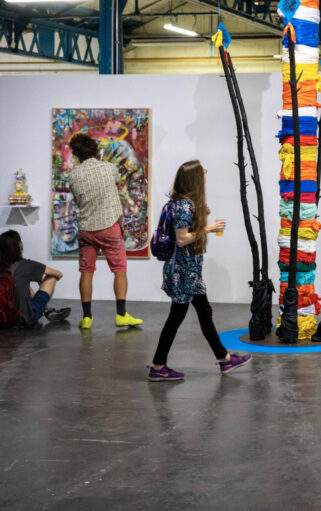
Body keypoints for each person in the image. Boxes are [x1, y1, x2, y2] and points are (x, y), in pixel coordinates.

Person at [148, 160, 251, 381]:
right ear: (194, 179)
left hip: (189, 271)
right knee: (178, 317)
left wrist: (199, 215)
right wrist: (208, 227)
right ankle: (158, 367)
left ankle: (224, 359)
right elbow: (182, 238)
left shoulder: (183, 202)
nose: (205, 174)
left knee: (204, 314)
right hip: (184, 271)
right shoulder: (184, 205)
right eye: (202, 172)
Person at [67, 133, 143, 329]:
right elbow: (117, 183)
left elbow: (77, 199)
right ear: (94, 150)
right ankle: (121, 314)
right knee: (119, 269)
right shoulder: (109, 168)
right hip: (109, 226)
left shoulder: (73, 175)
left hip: (86, 229)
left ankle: (86, 318)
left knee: (86, 271)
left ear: (76, 154)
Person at [0, 230, 71, 327]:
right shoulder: (26, 265)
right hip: (25, 320)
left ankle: (48, 309)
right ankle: (43, 308)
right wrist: (42, 281)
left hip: (3, 321)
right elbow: (58, 274)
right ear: (19, 245)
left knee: (21, 285)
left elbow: (20, 289)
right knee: (51, 277)